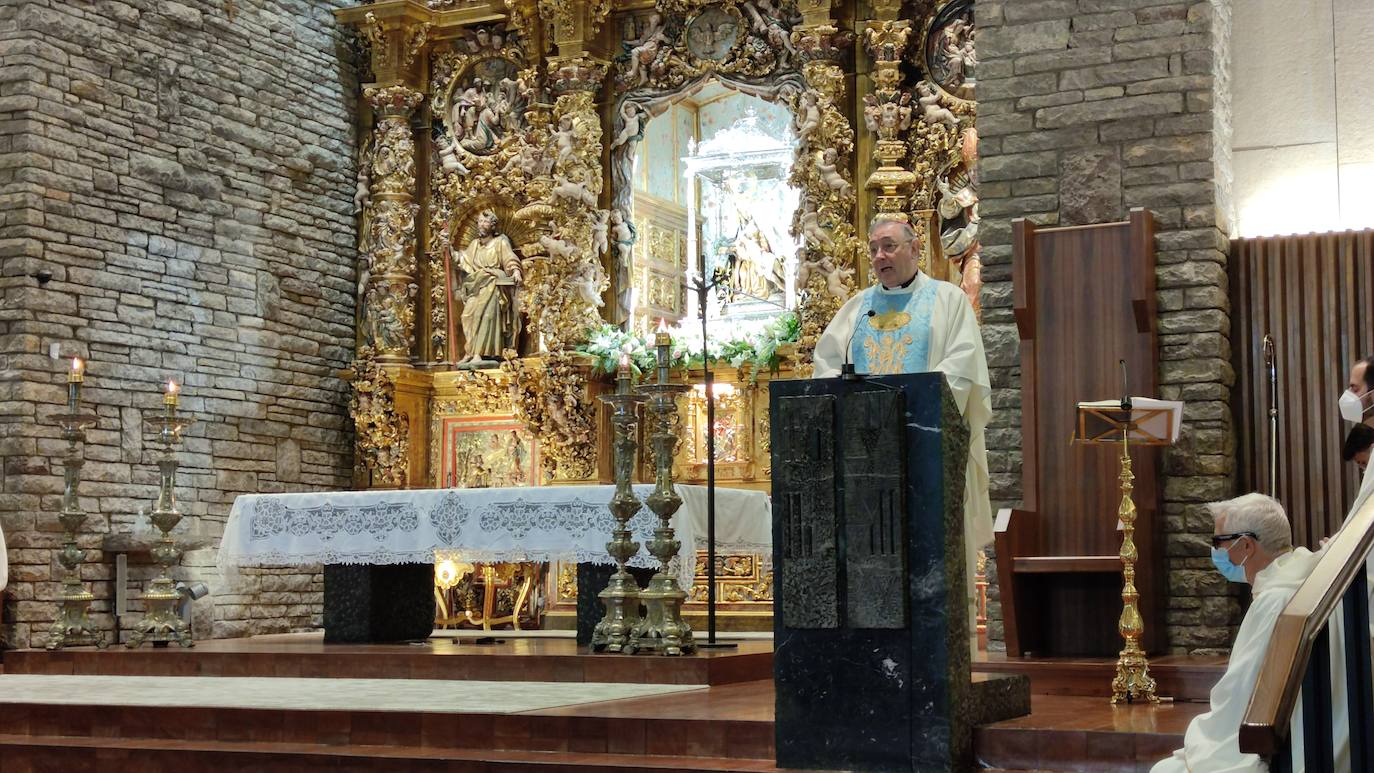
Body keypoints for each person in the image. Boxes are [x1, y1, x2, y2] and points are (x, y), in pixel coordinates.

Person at [813, 216, 992, 657]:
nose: (879, 257)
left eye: (889, 246)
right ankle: (872, 645)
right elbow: (827, 366)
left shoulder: (948, 301)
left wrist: (912, 404)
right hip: (867, 460)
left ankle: (937, 646)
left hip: (924, 451)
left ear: (915, 249)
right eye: (874, 248)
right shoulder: (856, 310)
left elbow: (962, 367)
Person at [1151, 493, 1347, 773]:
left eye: (1219, 542)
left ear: (1246, 545)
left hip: (1286, 748)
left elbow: (1241, 693)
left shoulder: (1276, 600)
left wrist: (1203, 735)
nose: (1216, 552)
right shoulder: (1307, 580)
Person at [455, 210, 522, 366]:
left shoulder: (500, 242)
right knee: (468, 315)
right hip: (476, 284)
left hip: (493, 283)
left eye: (485, 222)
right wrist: (449, 250)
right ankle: (470, 351)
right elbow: (462, 259)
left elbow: (509, 258)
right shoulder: (475, 245)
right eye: (479, 221)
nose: (481, 225)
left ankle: (480, 354)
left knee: (485, 316)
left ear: (493, 226)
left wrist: (516, 271)